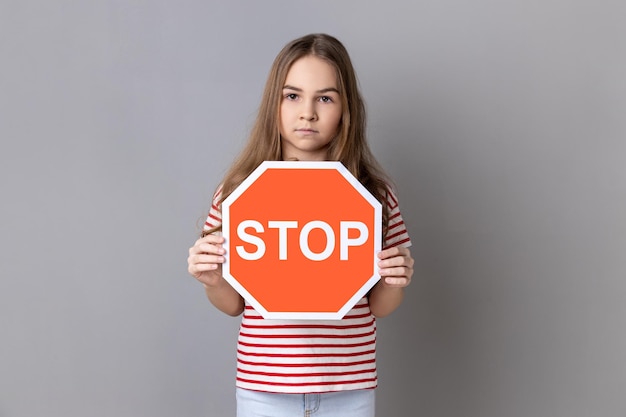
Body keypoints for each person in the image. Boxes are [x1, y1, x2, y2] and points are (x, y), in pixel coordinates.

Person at [187, 33, 414, 417]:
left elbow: (379, 305)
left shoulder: (373, 192)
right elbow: (233, 304)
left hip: (349, 386)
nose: (307, 112)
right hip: (265, 387)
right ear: (273, 104)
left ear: (346, 109)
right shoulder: (239, 191)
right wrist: (214, 279)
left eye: (325, 98)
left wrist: (396, 279)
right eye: (292, 96)